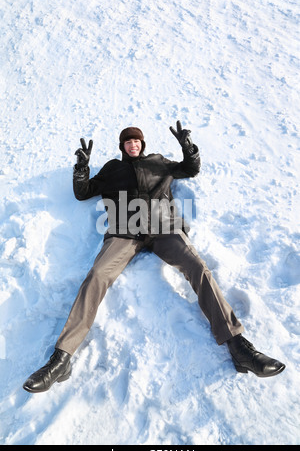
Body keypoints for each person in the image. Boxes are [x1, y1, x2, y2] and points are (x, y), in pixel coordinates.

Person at [23, 121, 285, 393]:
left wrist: (188, 148)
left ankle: (239, 346)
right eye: (128, 142)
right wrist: (81, 168)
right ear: (122, 147)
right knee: (97, 275)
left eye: (136, 141)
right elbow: (83, 192)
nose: (132, 145)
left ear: (142, 144)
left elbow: (189, 169)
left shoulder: (158, 162)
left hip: (164, 229)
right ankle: (61, 359)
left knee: (198, 267)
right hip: (125, 234)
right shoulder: (113, 169)